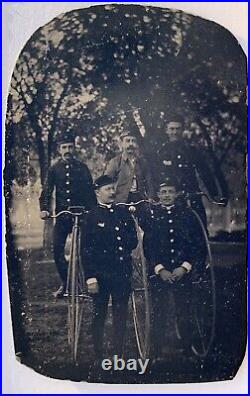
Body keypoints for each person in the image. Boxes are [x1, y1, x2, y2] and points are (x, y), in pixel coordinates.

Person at [140, 176, 206, 358]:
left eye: (170, 191)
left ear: (176, 194)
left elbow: (196, 243)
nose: (167, 195)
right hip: (160, 273)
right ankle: (157, 349)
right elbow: (148, 247)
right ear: (158, 195)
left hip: (182, 271)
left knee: (184, 309)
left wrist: (184, 267)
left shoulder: (187, 215)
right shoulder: (153, 217)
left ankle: (187, 347)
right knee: (158, 310)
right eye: (163, 192)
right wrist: (160, 269)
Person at [82, 175, 138, 359]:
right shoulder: (90, 217)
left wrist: (122, 246)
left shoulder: (122, 213)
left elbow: (132, 239)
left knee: (120, 315)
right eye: (108, 189)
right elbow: (86, 251)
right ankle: (99, 354)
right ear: (97, 192)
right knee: (99, 314)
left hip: (121, 273)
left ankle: (118, 353)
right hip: (101, 275)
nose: (113, 192)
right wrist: (90, 278)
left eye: (113, 188)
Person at [39, 135, 96, 297]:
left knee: (86, 250)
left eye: (70, 147)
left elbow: (90, 193)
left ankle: (89, 282)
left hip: (82, 215)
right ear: (59, 150)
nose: (67, 151)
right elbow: (47, 191)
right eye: (64, 148)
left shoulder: (82, 167)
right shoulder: (54, 169)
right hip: (63, 216)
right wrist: (44, 209)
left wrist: (92, 212)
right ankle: (66, 282)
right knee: (57, 249)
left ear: (74, 149)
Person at [157, 115, 223, 227]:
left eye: (178, 129)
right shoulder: (161, 152)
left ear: (182, 130)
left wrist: (214, 193)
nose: (175, 132)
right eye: (172, 129)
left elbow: (204, 172)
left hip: (191, 196)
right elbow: (156, 176)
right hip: (169, 198)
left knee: (199, 228)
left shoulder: (192, 150)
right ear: (167, 131)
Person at [104, 131, 154, 203]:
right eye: (127, 141)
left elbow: (149, 182)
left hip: (140, 200)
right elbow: (106, 183)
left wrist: (150, 198)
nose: (131, 144)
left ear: (136, 144)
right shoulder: (115, 162)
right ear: (122, 144)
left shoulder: (142, 162)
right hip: (121, 201)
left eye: (133, 141)